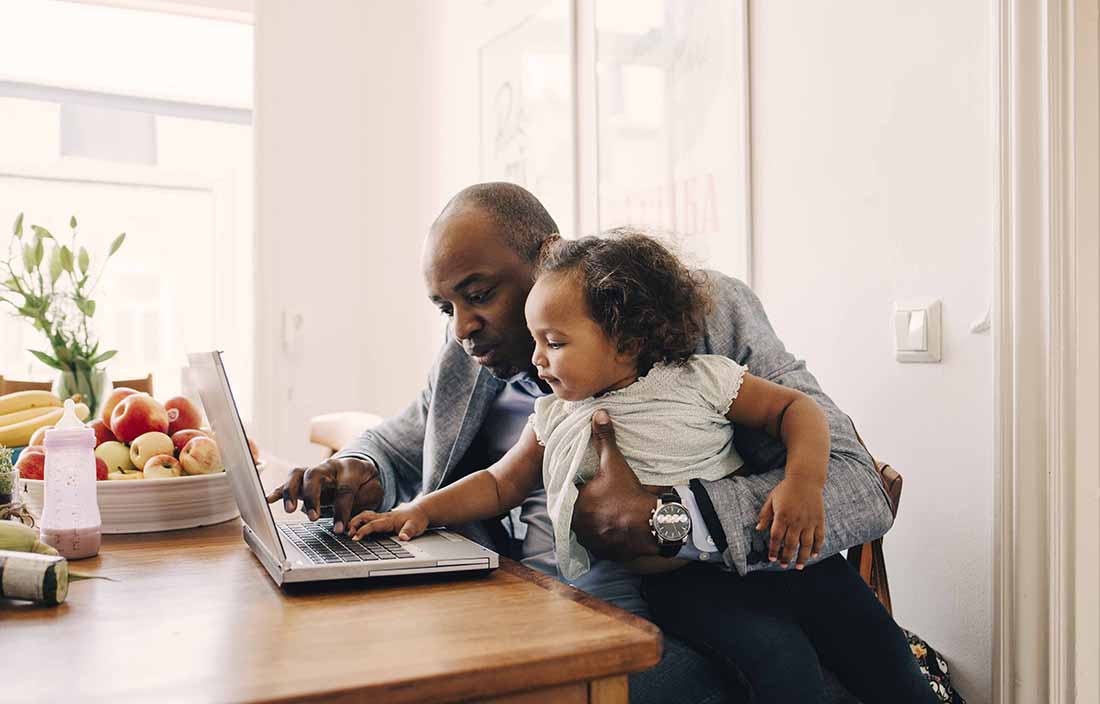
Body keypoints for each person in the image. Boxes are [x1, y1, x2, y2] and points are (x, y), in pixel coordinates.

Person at [267, 182, 904, 703]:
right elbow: (407, 443)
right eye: (444, 306)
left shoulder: (689, 317)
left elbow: (855, 481)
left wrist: (672, 518)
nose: (462, 326)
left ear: (547, 255)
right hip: (498, 604)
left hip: (662, 608)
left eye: (479, 294)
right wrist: (359, 464)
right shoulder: (473, 353)